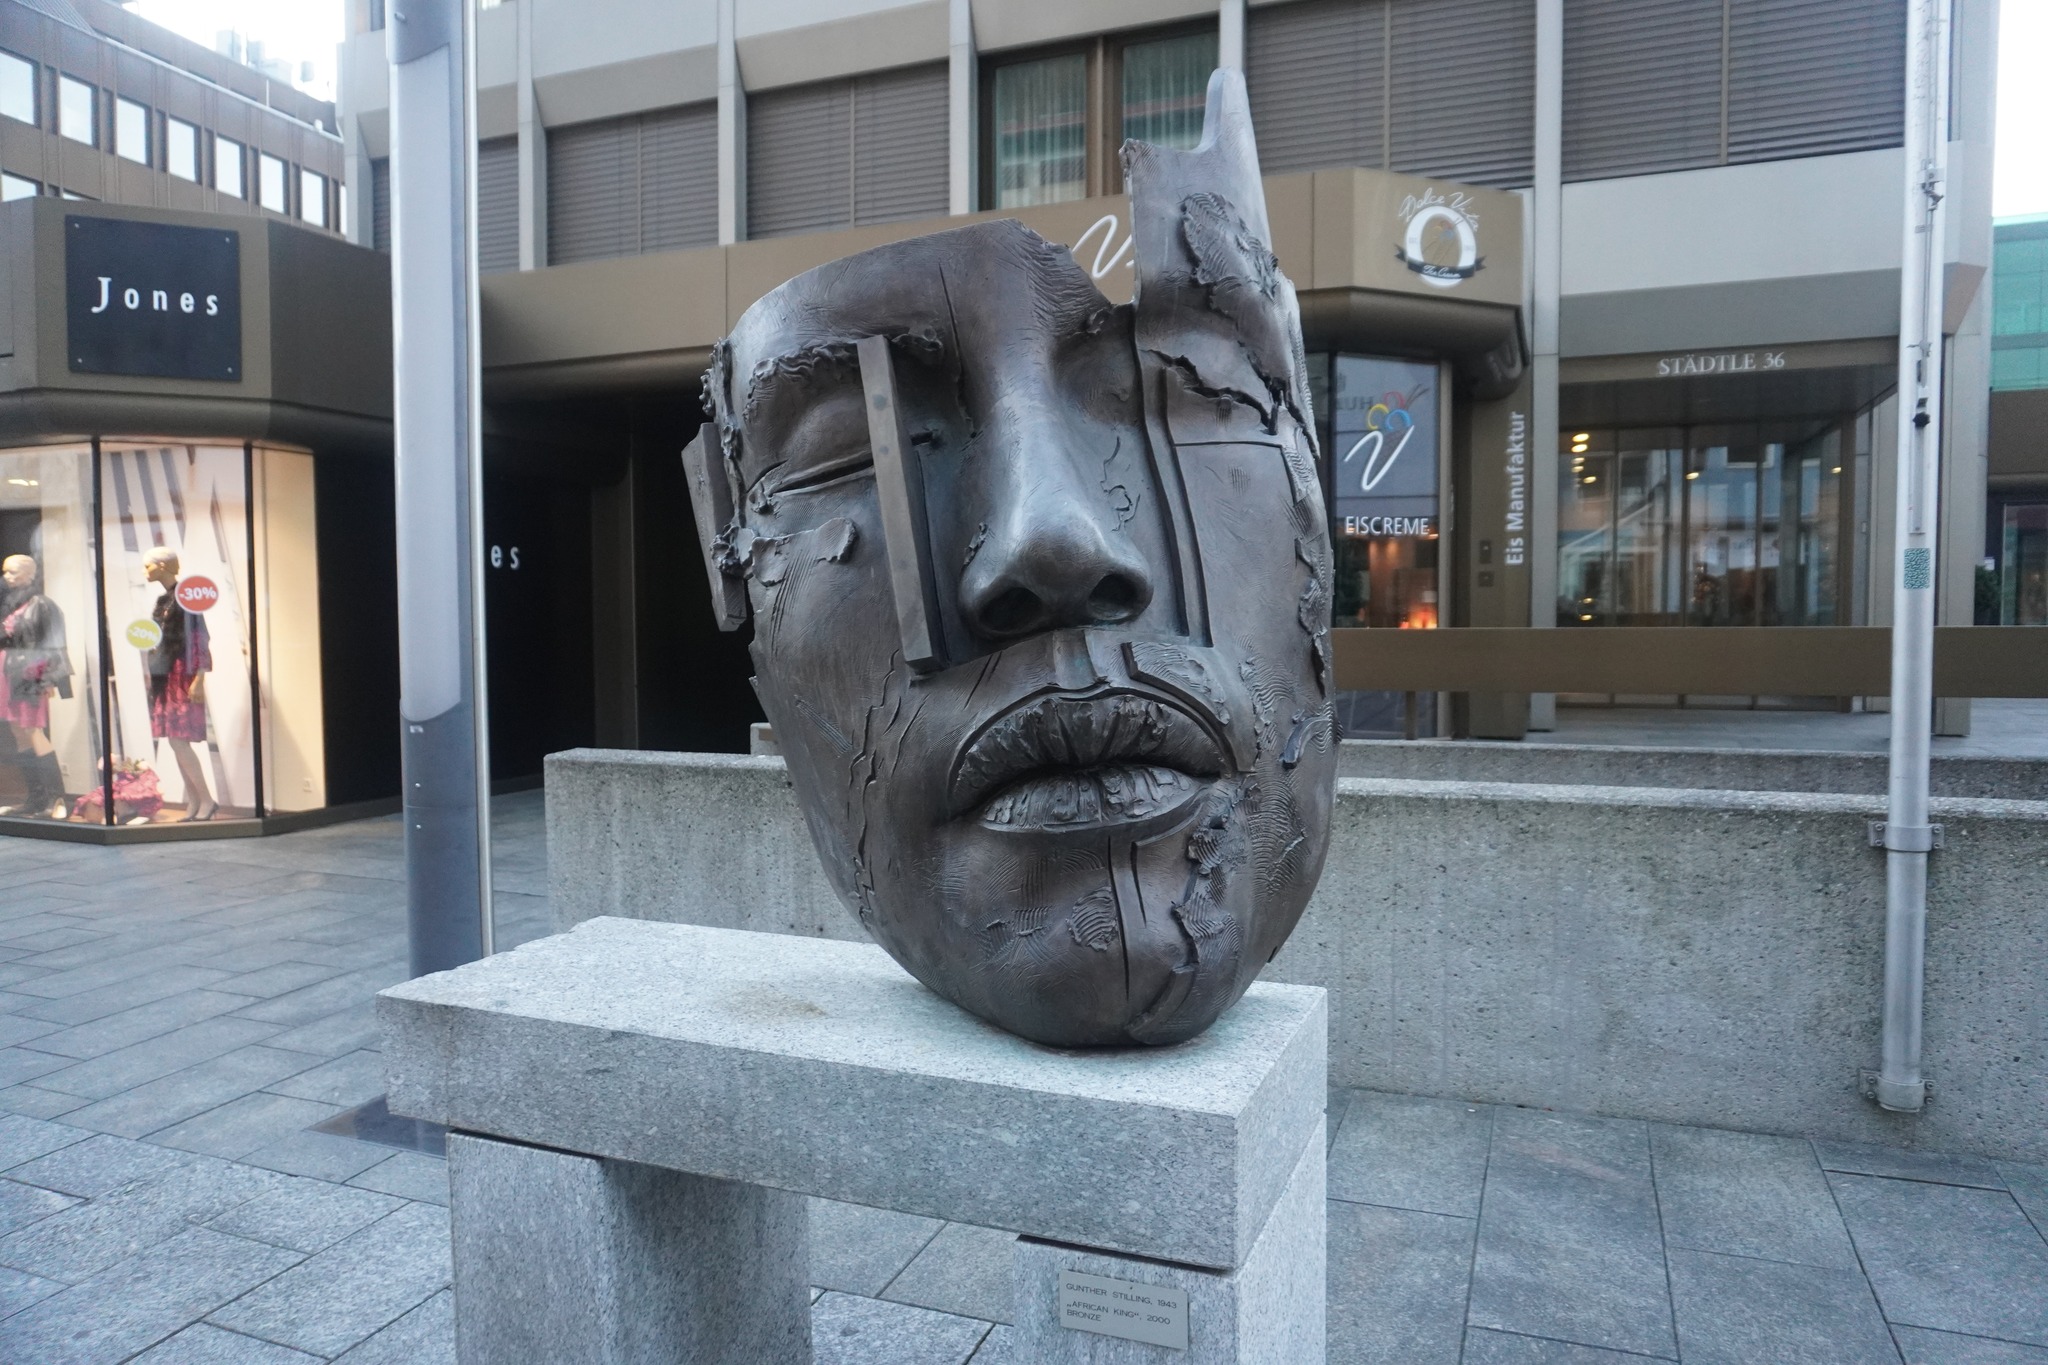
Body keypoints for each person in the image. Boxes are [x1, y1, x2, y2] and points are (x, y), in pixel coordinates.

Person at [141, 546, 217, 821]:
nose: (145, 571)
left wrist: (199, 678)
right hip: (166, 676)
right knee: (175, 742)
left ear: (162, 565)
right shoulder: (164, 601)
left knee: (179, 740)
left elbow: (200, 638)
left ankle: (206, 800)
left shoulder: (186, 597)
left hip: (182, 676)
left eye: (148, 566)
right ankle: (196, 800)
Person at [0, 553, 73, 819]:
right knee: (19, 732)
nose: (7, 577)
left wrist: (47, 679)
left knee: (33, 730)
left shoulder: (42, 604)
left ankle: (56, 800)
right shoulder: (11, 605)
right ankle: (35, 797)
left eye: (12, 572)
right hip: (9, 672)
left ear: (29, 574)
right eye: (5, 572)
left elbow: (52, 643)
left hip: (29, 674)